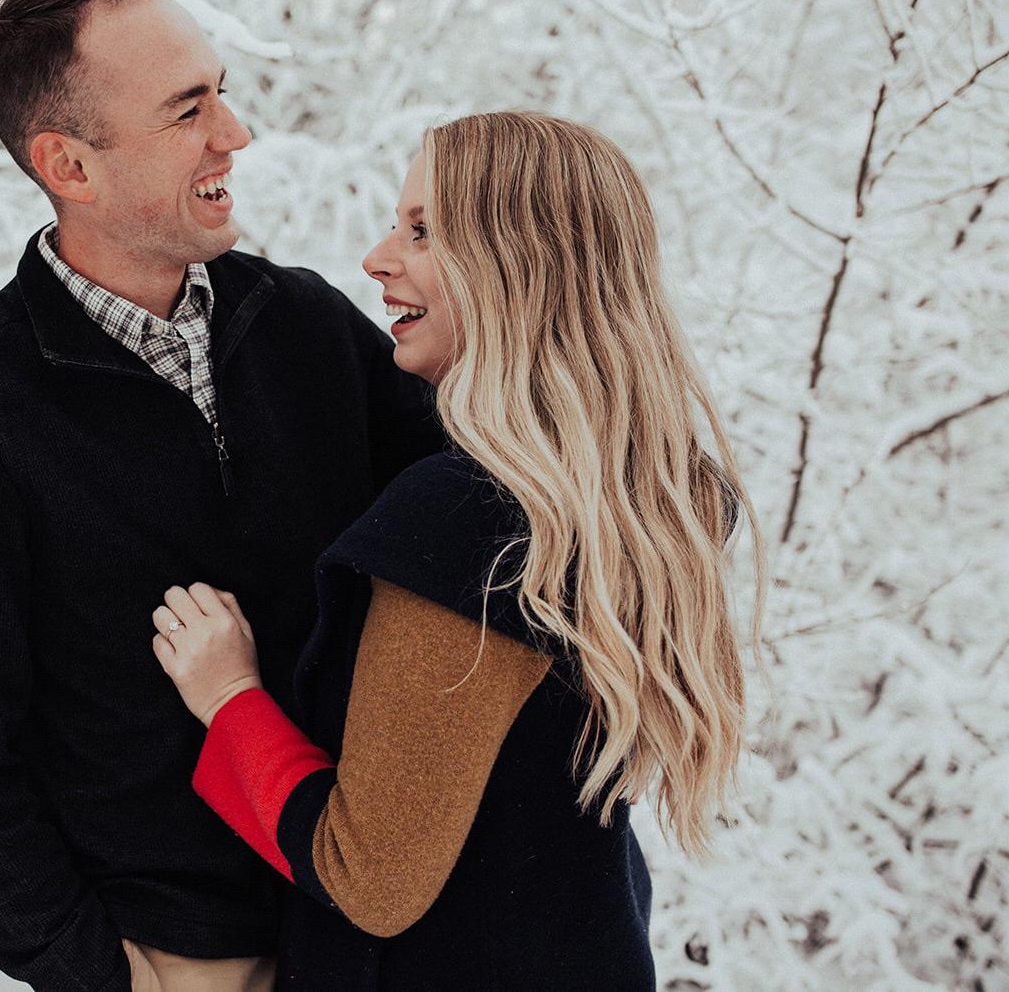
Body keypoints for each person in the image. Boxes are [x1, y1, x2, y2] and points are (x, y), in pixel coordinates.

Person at [0, 0, 448, 992]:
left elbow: (485, 516)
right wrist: (104, 973)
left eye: (221, 92)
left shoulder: (309, 328)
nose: (236, 132)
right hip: (194, 959)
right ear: (70, 166)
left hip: (378, 928)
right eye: (189, 110)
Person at [150, 112, 766, 990]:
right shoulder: (633, 496)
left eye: (424, 231)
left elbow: (371, 876)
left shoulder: (470, 525)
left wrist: (229, 696)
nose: (377, 258)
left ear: (522, 268)